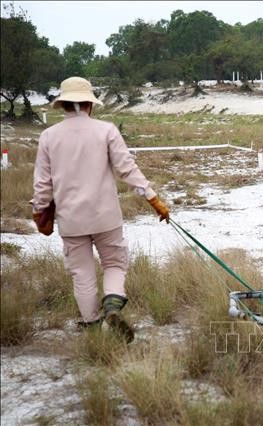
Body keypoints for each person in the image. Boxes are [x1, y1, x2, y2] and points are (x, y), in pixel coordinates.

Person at [31, 77, 170, 343]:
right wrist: (153, 199)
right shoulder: (106, 130)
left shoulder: (49, 136)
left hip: (70, 220)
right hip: (106, 216)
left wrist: (39, 213)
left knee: (81, 273)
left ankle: (92, 327)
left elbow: (42, 184)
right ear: (89, 104)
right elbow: (127, 168)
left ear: (62, 105)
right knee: (115, 263)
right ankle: (113, 307)